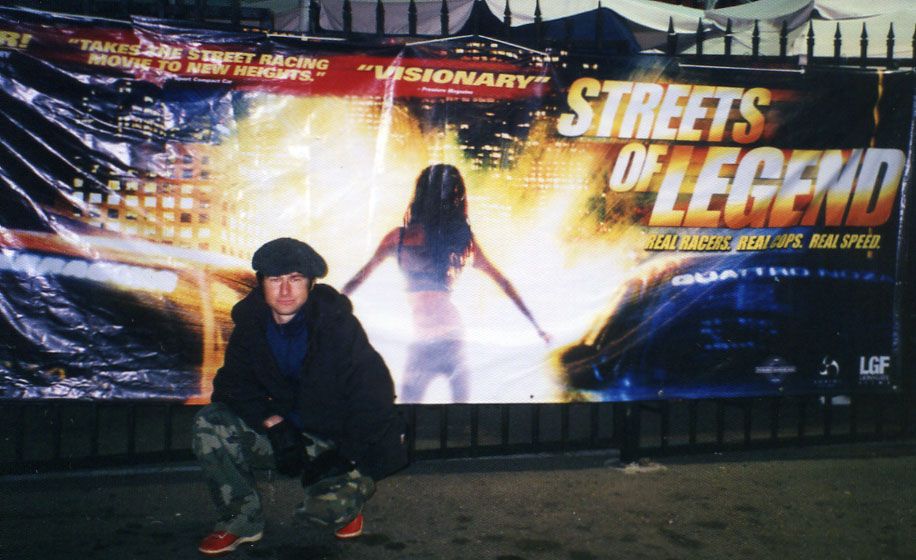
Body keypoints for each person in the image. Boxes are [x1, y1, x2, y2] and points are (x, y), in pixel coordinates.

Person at [192, 237, 408, 556]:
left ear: (310, 284)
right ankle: (241, 520)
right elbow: (231, 386)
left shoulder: (337, 326)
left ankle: (346, 506)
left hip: (333, 439)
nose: (285, 291)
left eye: (295, 279)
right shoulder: (250, 325)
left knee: (326, 511)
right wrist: (273, 424)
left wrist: (345, 456)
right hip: (284, 434)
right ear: (261, 284)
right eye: (275, 279)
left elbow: (374, 395)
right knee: (210, 423)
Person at [342, 164, 549, 403]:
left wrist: (537, 326)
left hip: (444, 340)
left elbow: (357, 279)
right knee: (434, 412)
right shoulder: (451, 241)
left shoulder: (408, 239)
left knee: (424, 412)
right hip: (439, 339)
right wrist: (536, 326)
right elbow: (502, 282)